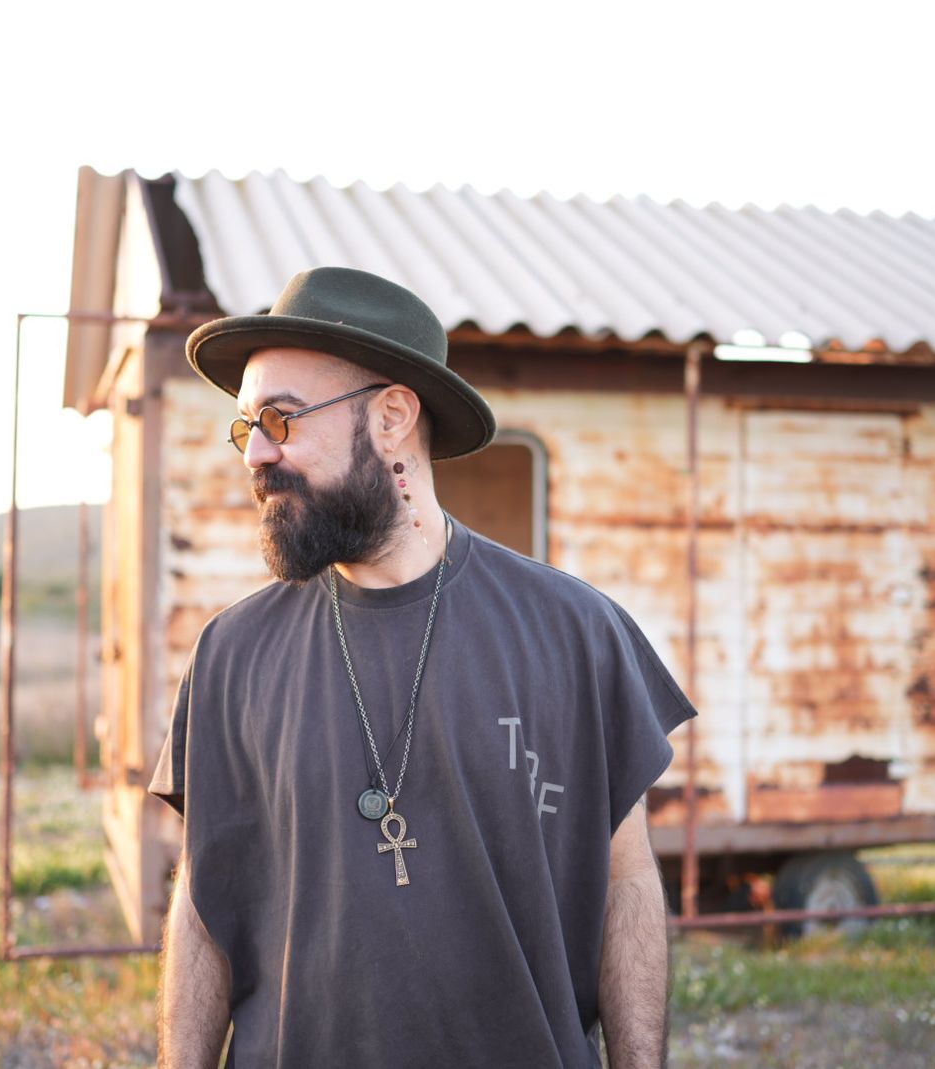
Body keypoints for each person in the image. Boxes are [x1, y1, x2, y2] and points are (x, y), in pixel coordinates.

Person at [150, 266, 697, 1069]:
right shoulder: (229, 654)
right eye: (245, 428)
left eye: (279, 419)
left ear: (393, 417)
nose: (256, 453)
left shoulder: (578, 632)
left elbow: (626, 881)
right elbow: (202, 903)